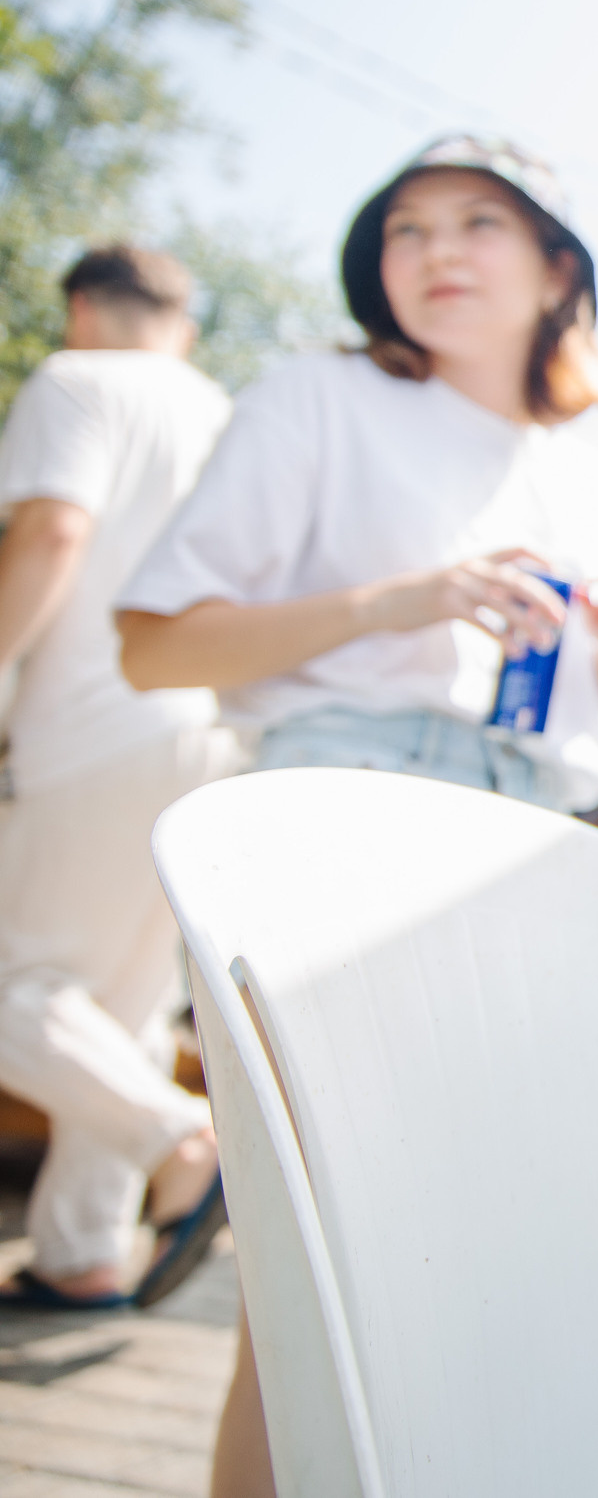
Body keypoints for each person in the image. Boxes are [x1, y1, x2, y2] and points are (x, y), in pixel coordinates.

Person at [115, 134, 598, 1497]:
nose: (435, 251)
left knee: (487, 1260)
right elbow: (152, 641)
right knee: (317, 1269)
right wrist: (399, 600)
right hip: (339, 797)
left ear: (558, 268)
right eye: (407, 226)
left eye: (480, 221)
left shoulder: (585, 468)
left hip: (530, 833)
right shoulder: (318, 397)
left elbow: (597, 737)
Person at [0, 246, 233, 1311]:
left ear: (83, 309)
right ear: (182, 323)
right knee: (122, 1007)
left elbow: (53, 529)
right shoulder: (229, 413)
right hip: (211, 731)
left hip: (88, 727)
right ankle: (84, 1251)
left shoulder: (76, 381)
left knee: (17, 988)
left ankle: (179, 1135)